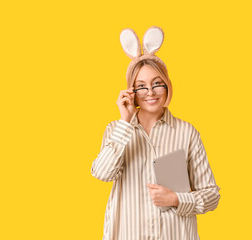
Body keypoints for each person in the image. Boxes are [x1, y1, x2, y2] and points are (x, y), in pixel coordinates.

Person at [91, 27, 220, 240]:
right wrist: (125, 121)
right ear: (131, 91)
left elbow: (211, 195)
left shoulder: (186, 133)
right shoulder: (116, 129)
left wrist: (177, 199)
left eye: (157, 84)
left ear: (167, 86)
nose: (150, 92)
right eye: (141, 86)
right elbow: (102, 173)